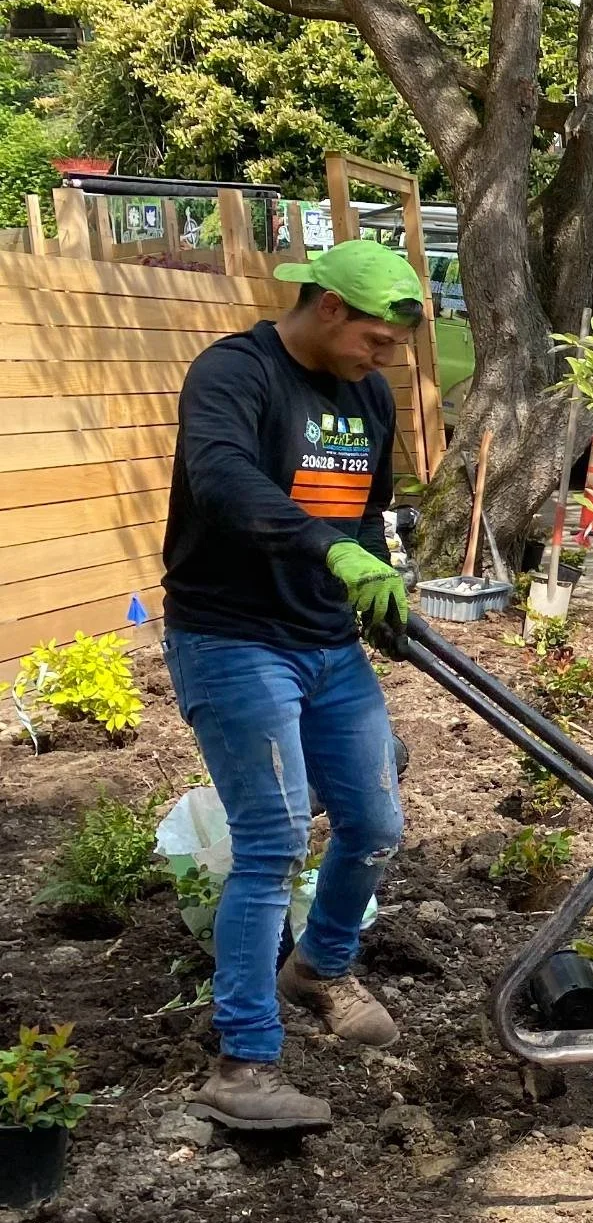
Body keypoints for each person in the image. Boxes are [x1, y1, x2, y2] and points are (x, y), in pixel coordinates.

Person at [162, 239, 424, 1132]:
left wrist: (381, 580)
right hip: (232, 637)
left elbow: (369, 510)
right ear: (327, 308)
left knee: (376, 821)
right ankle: (243, 1060)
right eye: (375, 341)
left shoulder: (370, 397)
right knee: (272, 839)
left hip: (325, 638)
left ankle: (319, 966)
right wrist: (328, 546)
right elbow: (223, 479)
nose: (381, 360)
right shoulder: (235, 373)